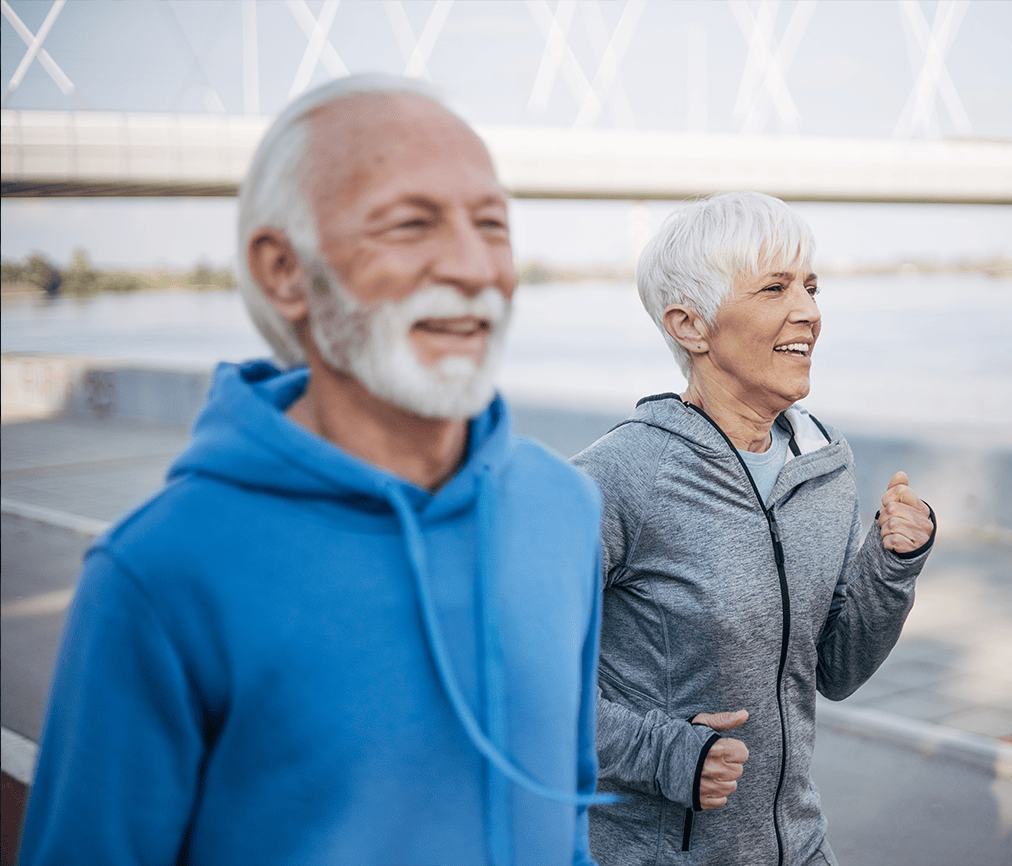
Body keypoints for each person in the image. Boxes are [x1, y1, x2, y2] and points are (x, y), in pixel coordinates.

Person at [21, 74, 606, 866]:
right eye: (411, 224)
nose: (473, 266)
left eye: (492, 223)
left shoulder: (562, 507)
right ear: (284, 271)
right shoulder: (158, 573)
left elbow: (568, 821)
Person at [572, 191, 935, 865]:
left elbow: (835, 668)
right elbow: (515, 681)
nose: (809, 311)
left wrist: (890, 565)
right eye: (774, 288)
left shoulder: (826, 466)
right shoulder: (617, 478)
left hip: (797, 846)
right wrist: (669, 752)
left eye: (811, 285)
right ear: (691, 326)